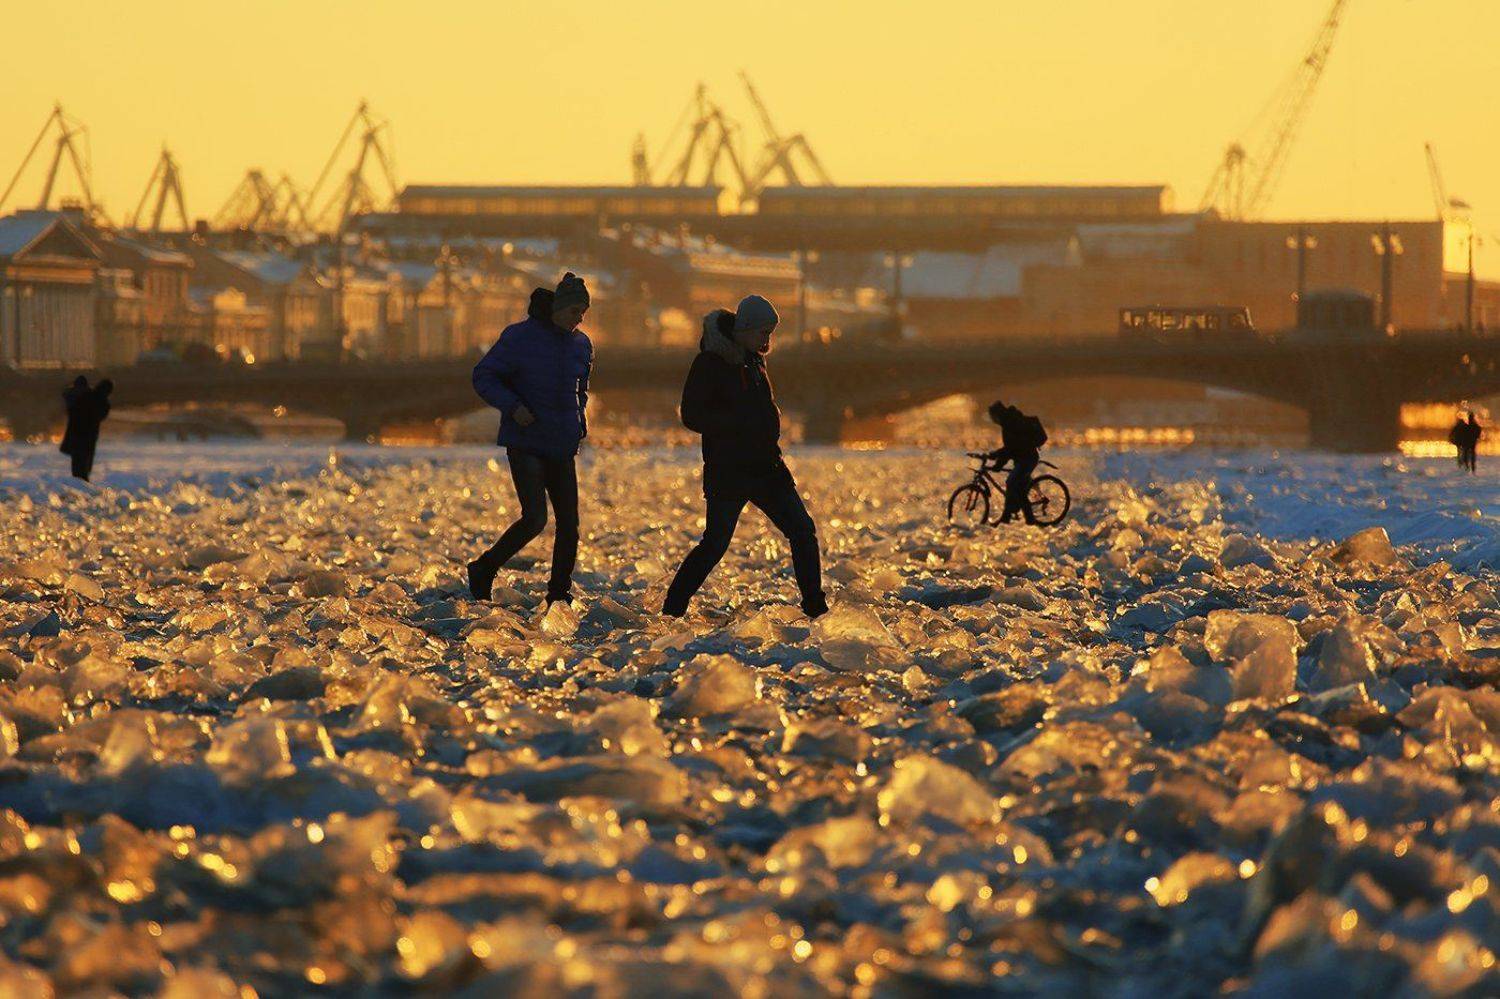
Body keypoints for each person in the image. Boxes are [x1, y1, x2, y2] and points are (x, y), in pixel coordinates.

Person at [663, 296, 828, 619]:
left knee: (803, 531)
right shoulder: (711, 362)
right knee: (714, 545)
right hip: (729, 470)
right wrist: (736, 425)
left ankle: (815, 607)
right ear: (743, 330)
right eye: (762, 332)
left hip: (767, 467)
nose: (767, 340)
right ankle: (672, 610)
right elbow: (692, 415)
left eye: (771, 333)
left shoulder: (754, 360)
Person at [467, 272, 594, 605]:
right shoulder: (520, 338)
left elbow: (581, 389)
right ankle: (484, 567)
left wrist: (579, 422)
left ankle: (558, 594)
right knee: (535, 518)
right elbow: (484, 375)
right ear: (557, 309)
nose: (579, 318)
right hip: (526, 440)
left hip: (562, 442)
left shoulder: (581, 344)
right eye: (574, 311)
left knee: (570, 524)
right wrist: (513, 407)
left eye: (583, 312)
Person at [984, 400, 1048, 524]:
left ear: (997, 415)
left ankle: (1017, 519)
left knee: (1013, 483)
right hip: (1023, 459)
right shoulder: (1009, 421)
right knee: (1018, 486)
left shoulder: (1010, 423)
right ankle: (1014, 517)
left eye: (993, 417)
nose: (993, 420)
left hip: (1027, 459)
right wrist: (995, 455)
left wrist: (998, 465)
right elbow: (1011, 447)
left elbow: (1010, 449)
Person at [60, 376, 111, 481]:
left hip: (76, 432)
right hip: (88, 435)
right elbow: (100, 416)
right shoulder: (100, 401)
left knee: (78, 460)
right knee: (85, 459)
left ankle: (79, 480)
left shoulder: (84, 396)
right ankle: (82, 480)